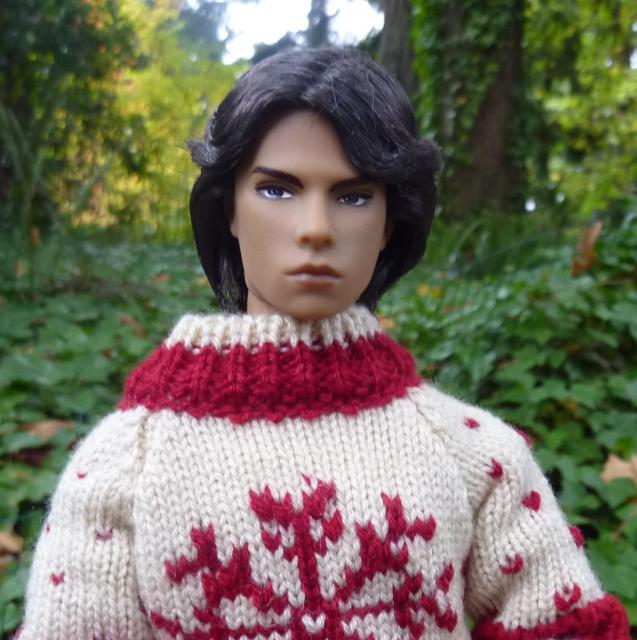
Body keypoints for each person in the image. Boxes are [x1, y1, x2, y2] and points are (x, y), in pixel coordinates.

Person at [17, 48, 629, 640]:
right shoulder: (126, 463)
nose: (315, 229)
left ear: (389, 222)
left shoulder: (472, 454)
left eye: (354, 196)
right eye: (276, 189)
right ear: (228, 208)